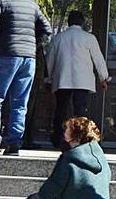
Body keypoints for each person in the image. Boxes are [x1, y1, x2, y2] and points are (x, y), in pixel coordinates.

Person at [0, 0, 53, 156]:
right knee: (20, 101)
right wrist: (33, 46)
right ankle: (14, 141)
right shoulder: (30, 2)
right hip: (28, 58)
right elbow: (47, 29)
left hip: (5, 55)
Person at [45, 11, 109, 150]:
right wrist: (103, 78)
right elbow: (98, 59)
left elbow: (50, 59)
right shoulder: (89, 38)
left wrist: (48, 77)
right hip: (82, 80)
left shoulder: (59, 38)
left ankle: (59, 139)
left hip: (62, 78)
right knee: (80, 109)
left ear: (68, 22)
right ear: (82, 23)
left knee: (61, 110)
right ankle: (81, 139)